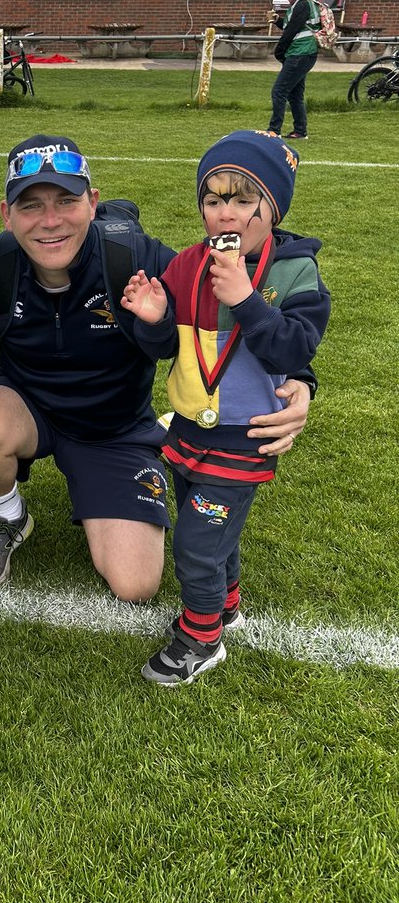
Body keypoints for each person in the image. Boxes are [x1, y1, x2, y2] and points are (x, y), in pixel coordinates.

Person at [0, 134, 312, 614]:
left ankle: (151, 447)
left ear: (93, 202)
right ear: (6, 215)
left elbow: (232, 292)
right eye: (31, 205)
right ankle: (9, 516)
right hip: (26, 409)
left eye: (66, 202)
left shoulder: (132, 257)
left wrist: (301, 380)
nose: (50, 222)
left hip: (112, 430)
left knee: (135, 584)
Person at [121, 130, 330, 685]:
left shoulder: (293, 272)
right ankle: (227, 603)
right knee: (208, 528)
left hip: (245, 436)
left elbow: (294, 348)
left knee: (196, 538)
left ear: (273, 206)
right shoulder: (187, 263)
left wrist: (244, 299)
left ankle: (202, 637)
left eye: (242, 200)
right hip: (188, 428)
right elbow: (164, 348)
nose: (226, 214)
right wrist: (152, 317)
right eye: (214, 200)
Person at [267, 0, 320, 141]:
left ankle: (274, 130)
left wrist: (279, 51)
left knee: (279, 91)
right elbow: (294, 26)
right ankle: (300, 130)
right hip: (305, 53)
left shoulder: (303, 4)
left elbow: (291, 32)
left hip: (300, 53)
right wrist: (277, 21)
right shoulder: (305, 2)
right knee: (295, 93)